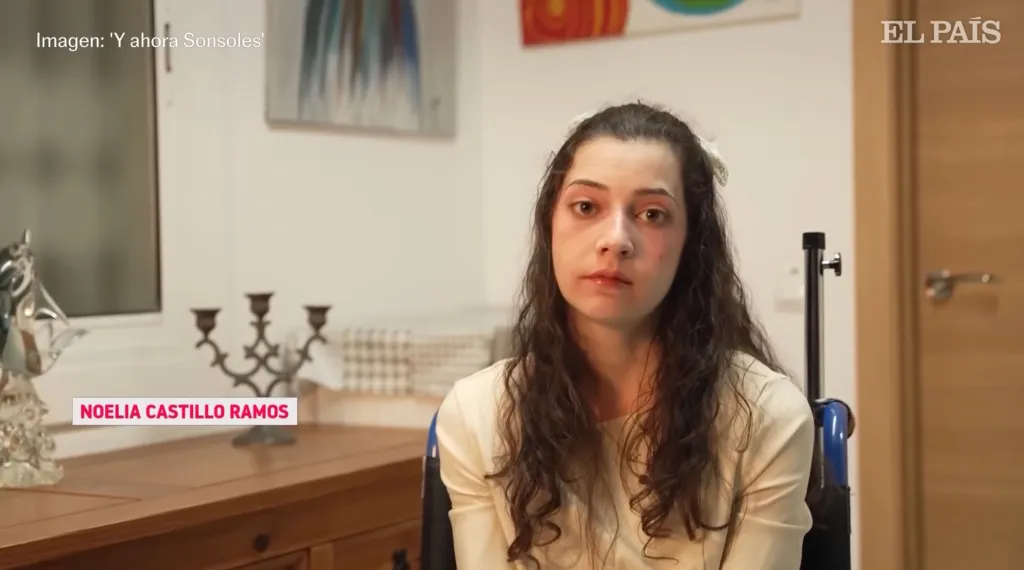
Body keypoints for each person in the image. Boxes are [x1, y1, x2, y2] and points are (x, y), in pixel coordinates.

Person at [436, 102, 815, 569]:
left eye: (653, 214)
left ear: (691, 245)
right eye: (586, 206)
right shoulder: (476, 414)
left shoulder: (767, 418)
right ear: (549, 225)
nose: (615, 239)